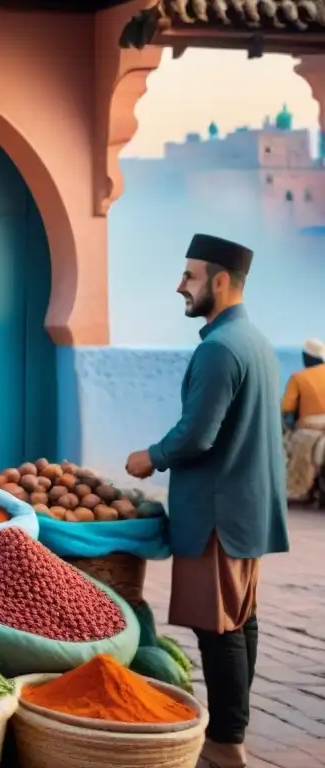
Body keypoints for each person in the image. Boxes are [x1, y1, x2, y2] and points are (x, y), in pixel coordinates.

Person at [124, 233, 289, 768]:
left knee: (218, 628)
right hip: (245, 506)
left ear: (220, 280)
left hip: (218, 512)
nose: (180, 286)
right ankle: (231, 732)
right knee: (239, 621)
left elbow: (198, 433)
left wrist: (151, 455)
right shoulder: (255, 342)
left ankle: (225, 743)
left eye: (190, 276)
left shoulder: (219, 348)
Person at [282, 339, 325, 504]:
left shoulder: (298, 377)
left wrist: (289, 429)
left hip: (310, 427)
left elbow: (287, 410)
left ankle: (298, 488)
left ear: (307, 357)